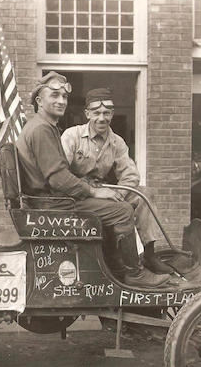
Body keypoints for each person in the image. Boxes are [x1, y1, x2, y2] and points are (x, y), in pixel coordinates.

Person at [15, 72, 171, 288]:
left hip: (58, 197)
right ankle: (133, 274)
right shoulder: (47, 130)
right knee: (123, 211)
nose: (61, 101)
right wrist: (94, 191)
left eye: (64, 96)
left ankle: (137, 258)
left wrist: (112, 193)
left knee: (139, 196)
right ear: (39, 101)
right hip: (56, 201)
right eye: (54, 95)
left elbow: (129, 174)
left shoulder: (46, 127)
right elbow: (59, 178)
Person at [61, 88, 174, 275]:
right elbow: (60, 173)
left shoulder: (117, 142)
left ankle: (150, 254)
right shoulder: (71, 136)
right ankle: (127, 266)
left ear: (112, 114)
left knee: (144, 194)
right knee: (123, 210)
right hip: (78, 195)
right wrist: (86, 188)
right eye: (96, 113)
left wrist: (120, 194)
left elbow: (130, 174)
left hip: (104, 192)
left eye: (106, 113)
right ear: (87, 114)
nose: (101, 118)